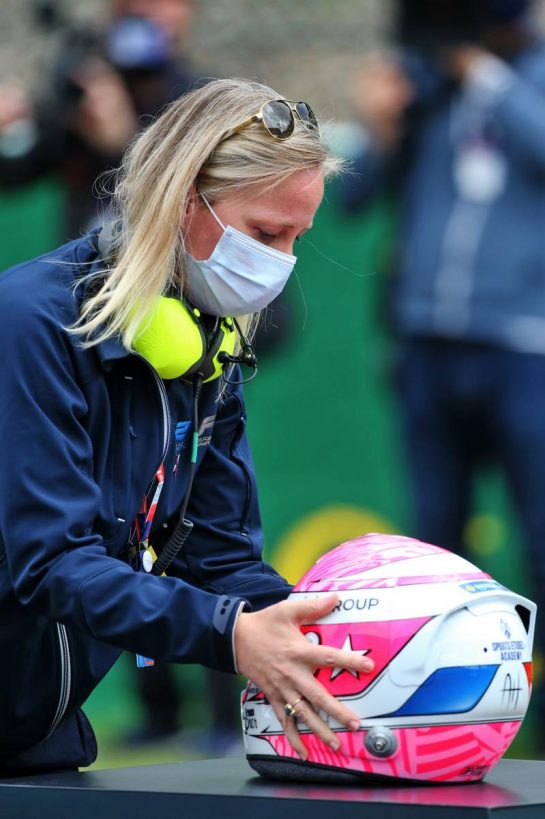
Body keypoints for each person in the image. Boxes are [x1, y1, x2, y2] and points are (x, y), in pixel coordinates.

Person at [0, 78, 374, 775]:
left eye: (297, 236)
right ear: (180, 202)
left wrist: (333, 644)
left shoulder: (206, 344)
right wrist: (234, 636)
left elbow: (222, 556)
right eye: (267, 232)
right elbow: (52, 564)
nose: (283, 260)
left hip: (39, 737)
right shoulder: (29, 320)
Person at [341, 0, 545, 731]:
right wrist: (382, 124)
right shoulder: (428, 88)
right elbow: (355, 196)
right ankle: (439, 713)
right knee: (434, 541)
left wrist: (480, 73)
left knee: (540, 534)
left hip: (525, 347)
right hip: (426, 344)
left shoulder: (523, 76)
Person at [0, 0, 199, 236]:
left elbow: (195, 203)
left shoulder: (199, 100)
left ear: (186, 9)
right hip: (80, 262)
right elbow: (17, 172)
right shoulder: (85, 84)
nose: (141, 10)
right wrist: (11, 133)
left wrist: (126, 145)